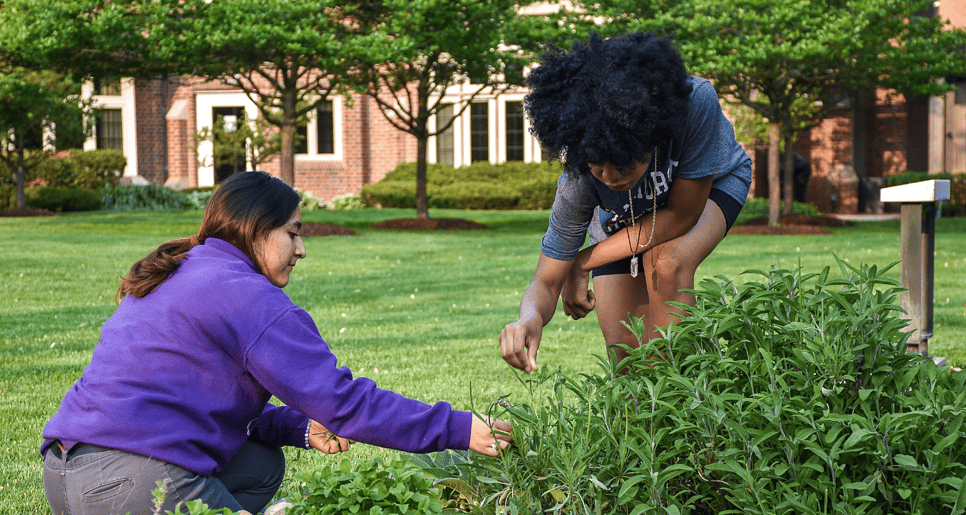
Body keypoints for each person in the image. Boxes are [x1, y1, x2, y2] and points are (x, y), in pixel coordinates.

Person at [42, 171, 511, 515]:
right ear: (255, 228)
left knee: (260, 463)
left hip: (65, 477)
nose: (302, 250)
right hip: (136, 485)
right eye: (293, 233)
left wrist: (299, 428)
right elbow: (343, 403)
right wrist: (460, 428)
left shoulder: (181, 269)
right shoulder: (250, 297)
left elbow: (184, 400)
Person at [500, 32, 752, 373]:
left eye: (623, 163)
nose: (610, 176)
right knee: (627, 355)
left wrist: (583, 260)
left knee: (667, 262)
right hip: (626, 217)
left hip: (709, 187)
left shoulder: (694, 103)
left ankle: (684, 403)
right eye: (597, 163)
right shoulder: (579, 180)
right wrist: (528, 318)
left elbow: (681, 215)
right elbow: (545, 280)